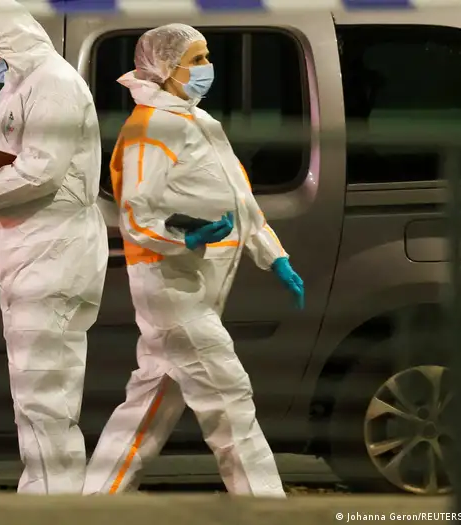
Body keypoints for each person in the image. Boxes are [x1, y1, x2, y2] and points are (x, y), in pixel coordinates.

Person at [81, 23, 304, 497]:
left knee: (149, 404)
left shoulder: (196, 122)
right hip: (170, 286)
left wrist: (273, 254)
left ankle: (92, 504)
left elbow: (239, 200)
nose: (207, 68)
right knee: (230, 399)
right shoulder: (150, 129)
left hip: (198, 284)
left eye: (206, 57)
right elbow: (136, 215)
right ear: (164, 69)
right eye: (197, 60)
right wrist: (188, 239)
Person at [0, 0, 108, 494]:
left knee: (45, 396)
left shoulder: (53, 84)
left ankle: (53, 505)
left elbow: (41, 170)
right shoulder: (21, 85)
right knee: (35, 396)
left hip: (55, 258)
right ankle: (44, 499)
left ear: (12, 42)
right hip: (34, 257)